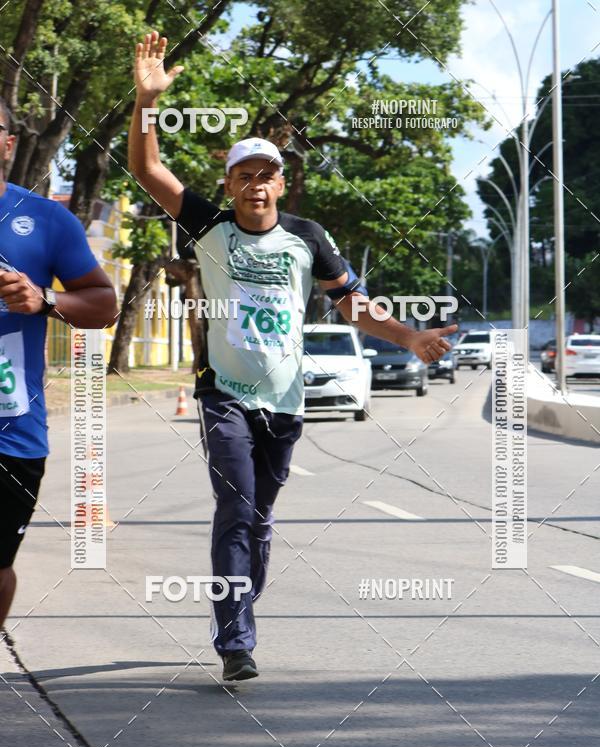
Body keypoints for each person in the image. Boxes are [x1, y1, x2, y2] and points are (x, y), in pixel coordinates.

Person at [130, 31, 457, 681]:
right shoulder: (208, 226)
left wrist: (409, 337)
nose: (256, 185)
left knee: (260, 518)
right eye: (244, 175)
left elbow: (352, 307)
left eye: (267, 175)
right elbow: (147, 172)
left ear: (281, 184)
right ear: (229, 184)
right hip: (223, 394)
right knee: (236, 511)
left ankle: (242, 602)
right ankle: (235, 643)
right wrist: (146, 104)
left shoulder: (308, 238)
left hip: (285, 404)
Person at [0, 97, 118, 633]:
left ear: (8, 141)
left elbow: (102, 304)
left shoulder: (45, 220)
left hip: (12, 431)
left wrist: (43, 299)